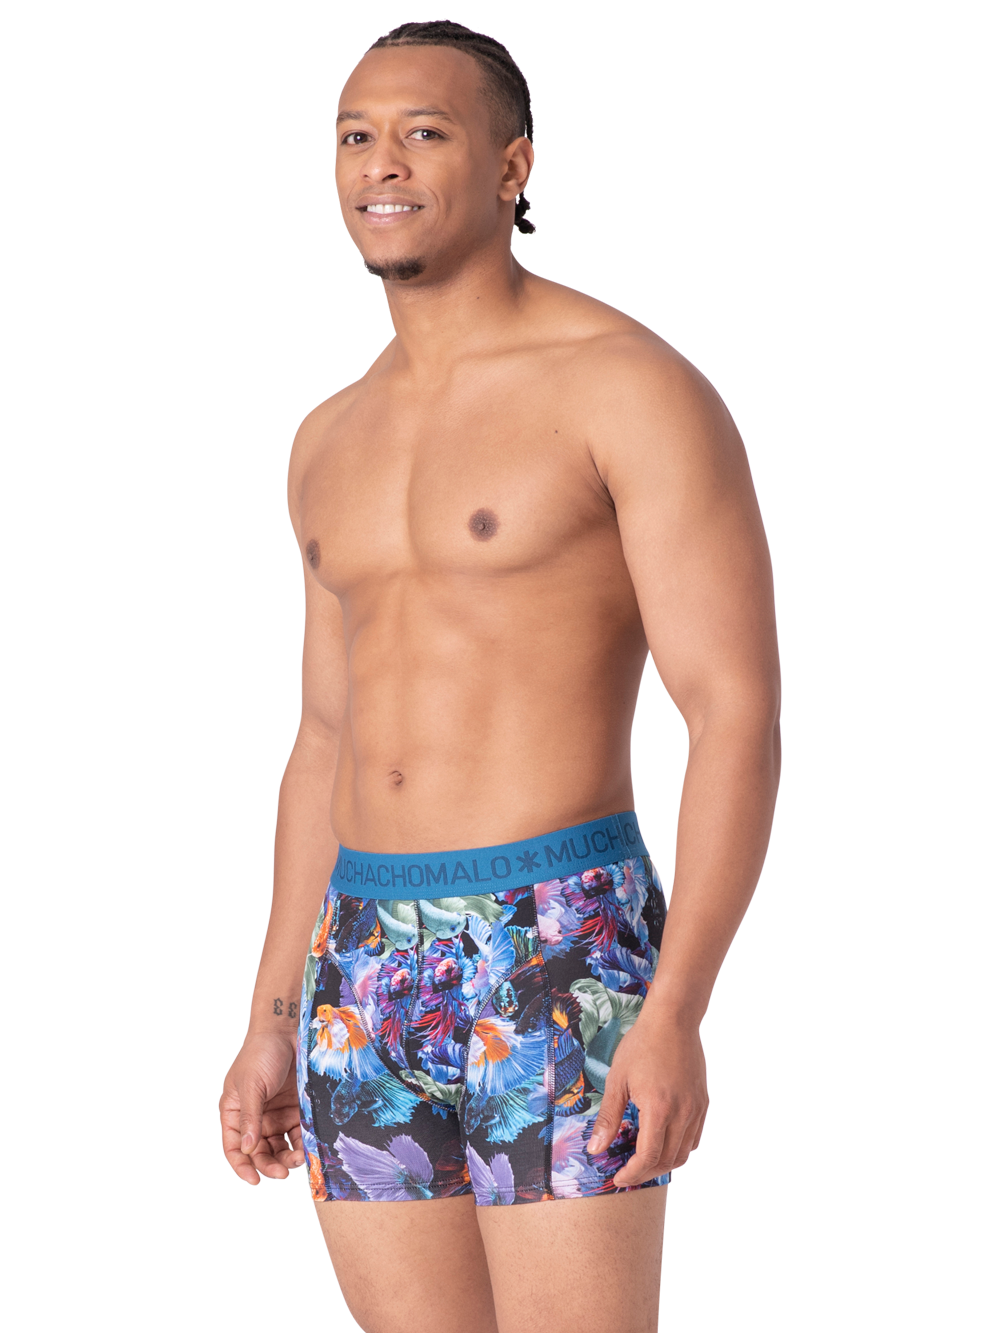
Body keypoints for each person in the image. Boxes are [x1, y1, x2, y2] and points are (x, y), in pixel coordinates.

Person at [222, 20, 780, 1333]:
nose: (382, 163)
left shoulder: (625, 388)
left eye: (424, 132)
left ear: (513, 168)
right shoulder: (329, 436)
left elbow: (732, 710)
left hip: (556, 939)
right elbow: (323, 736)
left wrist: (678, 1007)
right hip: (362, 956)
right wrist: (270, 1015)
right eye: (356, 135)